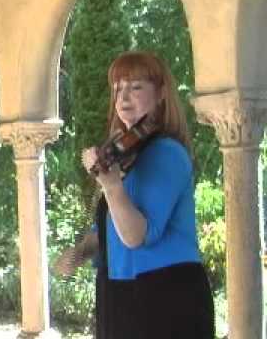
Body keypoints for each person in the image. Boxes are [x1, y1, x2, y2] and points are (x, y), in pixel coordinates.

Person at [55, 51, 215, 339]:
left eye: (136, 87)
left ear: (161, 94)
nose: (124, 96)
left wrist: (112, 187)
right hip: (122, 293)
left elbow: (135, 236)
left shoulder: (166, 153)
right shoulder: (125, 155)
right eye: (118, 88)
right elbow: (106, 229)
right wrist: (81, 251)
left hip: (165, 296)